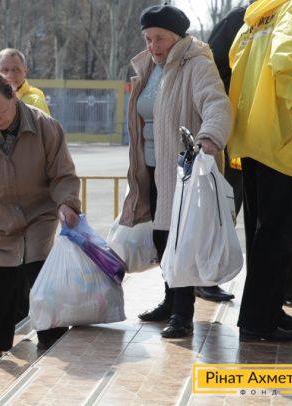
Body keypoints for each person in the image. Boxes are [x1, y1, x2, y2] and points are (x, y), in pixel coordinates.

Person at [0, 71, 80, 370]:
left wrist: (67, 203)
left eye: (1, 111)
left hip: (40, 214)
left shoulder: (44, 125)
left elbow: (62, 172)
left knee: (41, 276)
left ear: (14, 98)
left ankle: (52, 336)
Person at [120, 5, 232, 338]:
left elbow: (216, 103)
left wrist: (209, 137)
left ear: (178, 37)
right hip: (151, 167)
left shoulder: (196, 64)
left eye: (160, 38)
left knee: (180, 240)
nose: (153, 45)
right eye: (148, 38)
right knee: (161, 237)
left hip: (183, 169)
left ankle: (182, 314)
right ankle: (170, 301)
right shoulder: (148, 66)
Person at [228, 0, 292, 341]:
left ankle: (268, 311)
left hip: (254, 137)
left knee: (263, 234)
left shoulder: (255, 18)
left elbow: (235, 62)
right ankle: (259, 322)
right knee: (279, 235)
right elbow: (287, 56)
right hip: (283, 138)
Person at [191, 6, 249, 303]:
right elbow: (212, 69)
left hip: (261, 137)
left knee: (264, 221)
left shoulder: (286, 16)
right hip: (230, 135)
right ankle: (205, 278)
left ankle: (287, 285)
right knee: (220, 211)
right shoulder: (240, 19)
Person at [0, 48, 50, 115]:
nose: (10, 75)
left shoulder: (34, 101)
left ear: (25, 70)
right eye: (5, 70)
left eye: (16, 70)